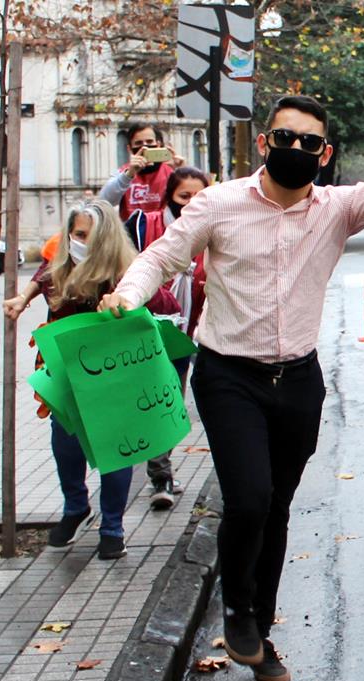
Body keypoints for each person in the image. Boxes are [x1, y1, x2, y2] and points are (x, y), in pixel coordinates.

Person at [98, 65, 364, 681]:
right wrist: (128, 294)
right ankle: (238, 611)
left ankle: (259, 632)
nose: (295, 147)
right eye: (284, 137)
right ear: (265, 141)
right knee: (247, 498)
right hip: (228, 377)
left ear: (324, 153)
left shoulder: (338, 208)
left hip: (298, 381)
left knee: (275, 507)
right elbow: (162, 256)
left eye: (308, 141)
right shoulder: (218, 202)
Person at [3, 200, 181, 560]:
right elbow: (44, 275)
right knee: (66, 443)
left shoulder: (129, 270)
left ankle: (112, 527)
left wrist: (128, 300)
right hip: (67, 373)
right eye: (78, 234)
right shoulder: (61, 267)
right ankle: (75, 508)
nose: (83, 242)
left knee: (116, 447)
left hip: (117, 376)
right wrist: (22, 298)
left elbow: (166, 304)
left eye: (91, 235)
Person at [124, 166, 211, 510]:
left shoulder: (214, 231)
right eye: (183, 196)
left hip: (185, 337)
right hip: (142, 334)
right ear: (169, 196)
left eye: (198, 196)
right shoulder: (143, 225)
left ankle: (160, 473)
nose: (190, 203)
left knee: (170, 403)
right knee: (150, 404)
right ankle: (157, 475)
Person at [99, 122, 185, 221]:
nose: (144, 147)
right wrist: (128, 175)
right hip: (132, 229)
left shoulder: (170, 171)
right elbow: (105, 201)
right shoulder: (123, 173)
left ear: (158, 144)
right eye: (138, 143)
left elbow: (188, 200)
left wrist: (182, 172)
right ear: (129, 149)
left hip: (164, 229)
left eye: (149, 142)